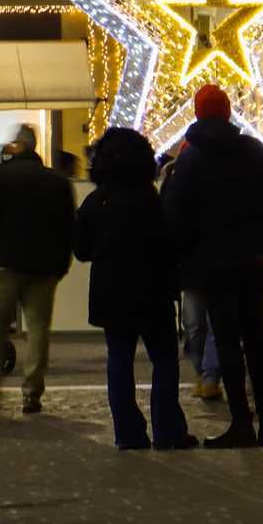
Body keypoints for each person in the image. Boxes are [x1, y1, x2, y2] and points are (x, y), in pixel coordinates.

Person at [162, 84, 263, 448]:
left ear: (197, 114)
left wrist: (181, 255)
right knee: (255, 337)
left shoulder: (192, 159)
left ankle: (241, 422)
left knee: (227, 341)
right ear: (228, 113)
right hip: (252, 259)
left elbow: (175, 217)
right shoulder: (253, 152)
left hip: (212, 264)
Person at [72, 126, 195, 451]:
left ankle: (128, 432)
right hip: (152, 289)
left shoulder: (95, 201)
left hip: (111, 292)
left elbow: (81, 250)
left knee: (119, 360)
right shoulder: (152, 200)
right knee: (165, 359)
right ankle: (168, 430)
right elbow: (172, 243)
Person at [0, 124, 74, 413]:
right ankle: (32, 393)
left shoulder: (5, 177)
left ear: (19, 145)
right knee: (38, 329)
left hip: (4, 264)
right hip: (43, 268)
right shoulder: (57, 182)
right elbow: (67, 227)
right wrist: (61, 264)